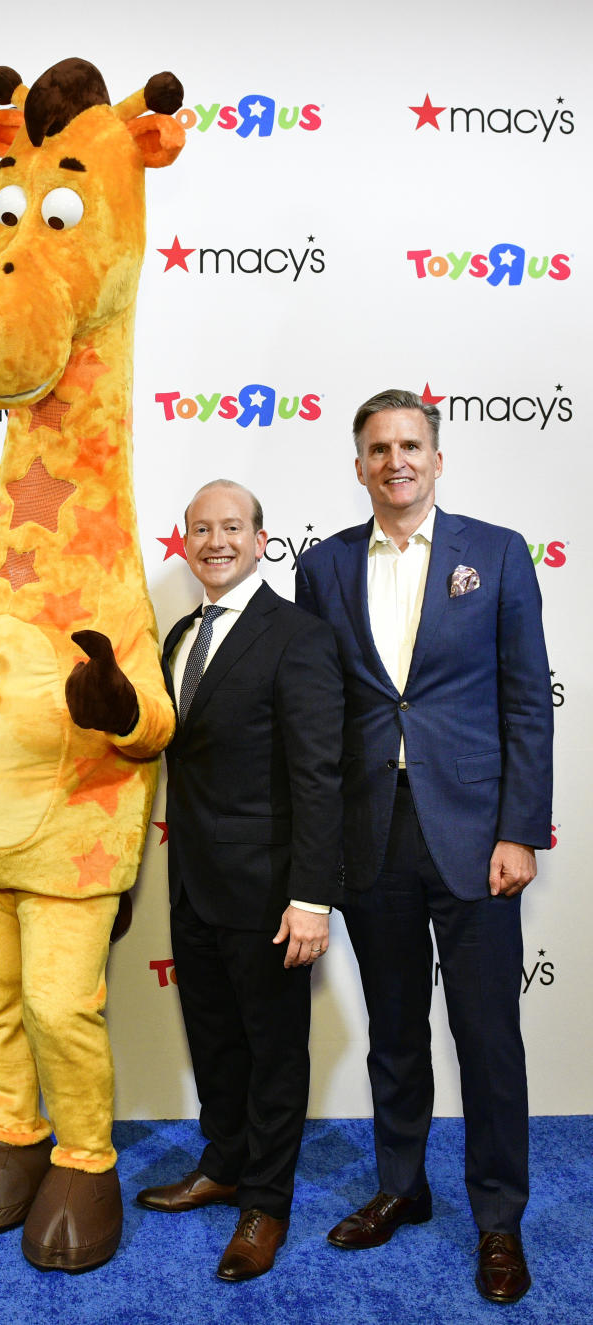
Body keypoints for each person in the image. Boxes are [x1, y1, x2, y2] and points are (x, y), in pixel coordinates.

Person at [295, 388, 553, 1304]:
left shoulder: (497, 551)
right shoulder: (322, 567)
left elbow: (528, 698)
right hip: (371, 833)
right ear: (358, 464)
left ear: (438, 459)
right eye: (377, 447)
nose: (395, 460)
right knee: (395, 1031)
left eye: (410, 445)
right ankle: (402, 1186)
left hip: (478, 834)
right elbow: (319, 714)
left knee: (488, 1035)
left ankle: (499, 1219)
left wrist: (522, 829)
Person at [136, 479, 344, 1281]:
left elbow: (318, 776)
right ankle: (223, 1162)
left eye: (232, 527)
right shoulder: (182, 633)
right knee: (215, 1039)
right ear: (183, 541)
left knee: (274, 1051)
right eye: (200, 528)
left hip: (269, 894)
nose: (215, 539)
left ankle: (267, 1200)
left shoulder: (297, 636)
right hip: (189, 883)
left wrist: (310, 897)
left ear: (262, 540)